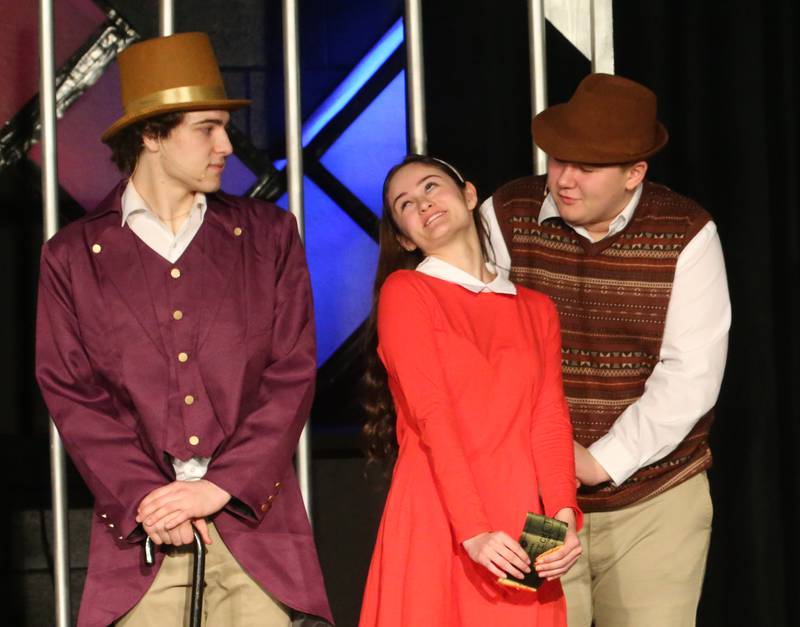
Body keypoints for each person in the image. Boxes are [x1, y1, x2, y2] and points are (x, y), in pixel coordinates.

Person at [35, 32, 332, 627]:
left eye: (224, 126)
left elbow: (290, 373)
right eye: (206, 128)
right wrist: (150, 497)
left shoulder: (269, 236)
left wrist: (221, 485)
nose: (226, 144)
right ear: (150, 134)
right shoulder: (73, 256)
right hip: (143, 538)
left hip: (256, 526)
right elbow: (72, 393)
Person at [481, 73, 731, 627]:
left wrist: (600, 462)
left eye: (586, 168)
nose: (564, 179)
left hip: (653, 499)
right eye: (560, 159)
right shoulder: (507, 214)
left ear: (634, 174)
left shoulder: (685, 233)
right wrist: (548, 459)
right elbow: (482, 345)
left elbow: (690, 373)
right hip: (538, 498)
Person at [358, 154, 582, 626]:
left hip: (524, 515)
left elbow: (548, 419)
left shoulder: (536, 308)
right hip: (443, 514)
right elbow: (433, 416)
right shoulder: (407, 292)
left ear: (468, 195)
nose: (422, 204)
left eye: (431, 187)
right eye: (405, 204)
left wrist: (562, 517)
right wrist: (474, 532)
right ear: (404, 237)